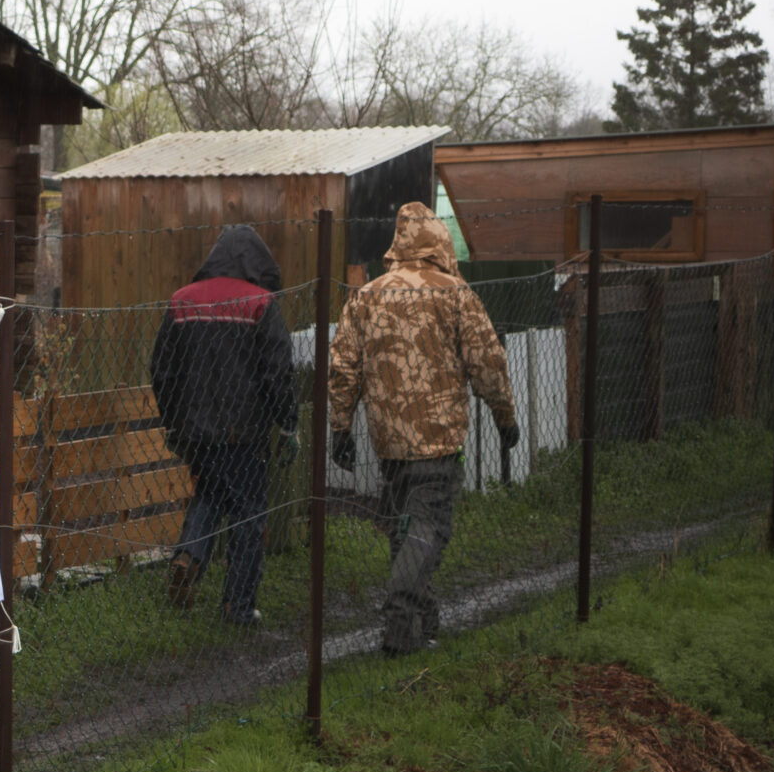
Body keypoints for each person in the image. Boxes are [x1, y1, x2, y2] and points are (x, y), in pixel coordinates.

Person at [326, 201, 521, 656]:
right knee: (427, 530)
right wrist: (504, 417)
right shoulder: (455, 293)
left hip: (389, 440)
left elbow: (343, 366)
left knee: (406, 529)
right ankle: (399, 623)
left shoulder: (367, 296)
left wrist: (341, 428)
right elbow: (487, 362)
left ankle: (421, 626)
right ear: (439, 242)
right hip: (438, 438)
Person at [150, 225, 296, 625]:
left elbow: (161, 370)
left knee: (211, 493)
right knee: (249, 515)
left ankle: (189, 555)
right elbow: (278, 371)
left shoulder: (181, 301)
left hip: (195, 431)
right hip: (244, 435)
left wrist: (173, 423)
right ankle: (238, 606)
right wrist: (288, 423)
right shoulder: (261, 303)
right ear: (258, 261)